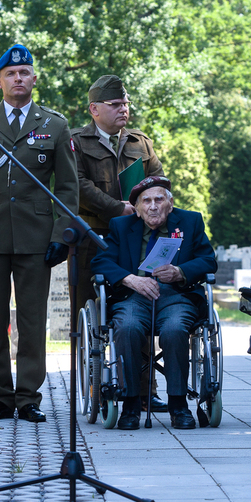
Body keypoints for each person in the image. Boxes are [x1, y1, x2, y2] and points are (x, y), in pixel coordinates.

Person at [0, 43, 79, 423]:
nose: (18, 78)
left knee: (31, 318)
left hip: (36, 237)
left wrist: (63, 233)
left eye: (24, 73)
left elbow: (68, 187)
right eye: (11, 73)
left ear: (34, 79)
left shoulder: (54, 124)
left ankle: (28, 396)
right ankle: (1, 396)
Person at [90, 176, 217, 430]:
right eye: (146, 201)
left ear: (170, 204)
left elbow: (208, 261)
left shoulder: (190, 221)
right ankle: (130, 404)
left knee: (174, 330)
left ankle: (178, 404)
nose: (153, 206)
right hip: (133, 297)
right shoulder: (120, 226)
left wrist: (180, 272)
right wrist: (130, 279)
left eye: (159, 199)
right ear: (136, 209)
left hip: (176, 297)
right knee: (127, 328)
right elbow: (101, 262)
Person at [73, 74, 166, 413]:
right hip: (92, 241)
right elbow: (77, 185)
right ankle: (94, 388)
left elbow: (158, 180)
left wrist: (148, 204)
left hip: (135, 241)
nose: (123, 110)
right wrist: (117, 207)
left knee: (139, 308)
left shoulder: (140, 142)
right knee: (88, 314)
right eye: (115, 105)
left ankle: (144, 390)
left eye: (125, 104)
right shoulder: (76, 142)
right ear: (94, 109)